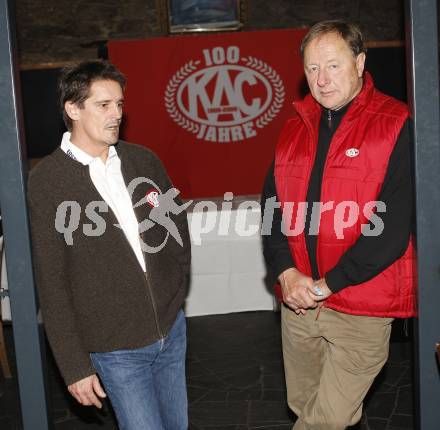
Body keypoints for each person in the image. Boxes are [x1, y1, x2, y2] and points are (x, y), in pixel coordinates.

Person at [261, 20, 416, 430]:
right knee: (307, 405)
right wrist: (287, 272)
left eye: (332, 65)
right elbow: (272, 211)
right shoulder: (294, 129)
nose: (322, 78)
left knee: (323, 421)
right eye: (312, 68)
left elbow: (392, 229)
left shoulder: (396, 123)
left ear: (360, 62)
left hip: (362, 304)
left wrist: (328, 283)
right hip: (299, 303)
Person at [28, 60, 191, 430]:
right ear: (73, 109)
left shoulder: (143, 160)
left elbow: (175, 223)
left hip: (172, 330)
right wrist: (74, 366)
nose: (116, 114)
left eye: (119, 104)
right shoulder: (48, 182)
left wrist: (174, 289)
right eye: (103, 105)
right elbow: (52, 283)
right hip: (116, 348)